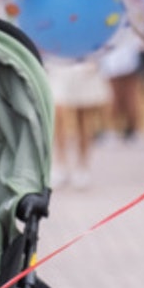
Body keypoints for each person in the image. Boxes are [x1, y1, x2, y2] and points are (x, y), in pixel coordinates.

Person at [48, 55, 111, 190]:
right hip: (58, 62)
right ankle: (60, 164)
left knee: (83, 119)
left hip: (84, 62)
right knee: (58, 114)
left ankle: (82, 166)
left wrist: (95, 60)